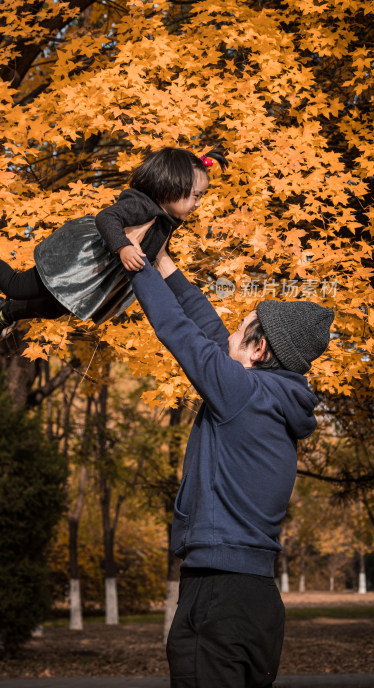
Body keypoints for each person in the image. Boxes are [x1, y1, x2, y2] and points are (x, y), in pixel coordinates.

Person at [123, 236, 334, 688]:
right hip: (256, 600)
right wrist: (162, 260)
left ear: (258, 352)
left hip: (217, 594)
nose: (229, 336)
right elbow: (203, 322)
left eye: (240, 331)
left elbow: (178, 331)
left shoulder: (241, 394)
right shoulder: (272, 396)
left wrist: (132, 258)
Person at [0, 146, 225, 347]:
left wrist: (183, 292)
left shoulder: (164, 221)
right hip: (78, 259)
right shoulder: (141, 205)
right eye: (195, 196)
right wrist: (122, 247)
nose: (198, 204)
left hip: (91, 275)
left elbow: (160, 258)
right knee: (18, 285)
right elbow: (107, 217)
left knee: (57, 309)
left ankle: (5, 312)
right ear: (171, 188)